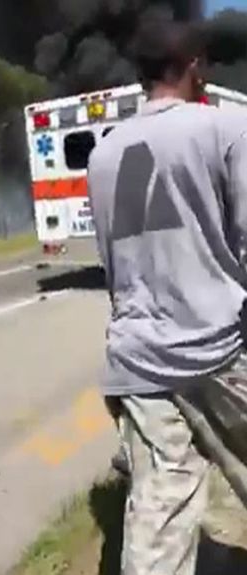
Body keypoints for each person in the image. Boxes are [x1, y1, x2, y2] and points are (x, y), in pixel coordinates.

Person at [87, 19, 247, 575]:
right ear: (196, 67)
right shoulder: (226, 127)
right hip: (219, 350)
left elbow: (113, 265)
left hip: (138, 360)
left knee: (161, 507)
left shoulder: (102, 155)